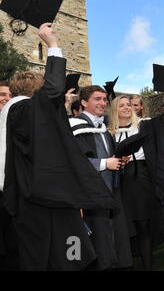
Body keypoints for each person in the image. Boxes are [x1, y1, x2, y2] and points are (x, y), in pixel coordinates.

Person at [1, 23, 117, 271]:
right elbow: (52, 90)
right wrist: (52, 45)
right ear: (36, 91)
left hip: (34, 198)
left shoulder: (16, 114)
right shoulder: (21, 108)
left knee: (63, 250)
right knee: (65, 253)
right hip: (41, 202)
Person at [70, 85, 133, 270]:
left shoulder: (103, 127)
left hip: (111, 189)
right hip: (92, 193)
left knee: (115, 234)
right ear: (83, 102)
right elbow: (75, 162)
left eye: (104, 99)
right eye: (97, 99)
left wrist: (119, 159)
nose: (103, 103)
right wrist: (106, 163)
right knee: (100, 239)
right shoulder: (75, 126)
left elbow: (108, 155)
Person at [108, 95, 164, 271]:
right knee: (123, 227)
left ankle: (148, 266)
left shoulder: (142, 126)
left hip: (140, 178)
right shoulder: (108, 133)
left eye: (128, 105)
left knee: (143, 225)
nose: (127, 107)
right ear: (114, 110)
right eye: (122, 105)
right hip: (118, 182)